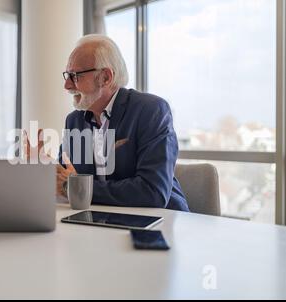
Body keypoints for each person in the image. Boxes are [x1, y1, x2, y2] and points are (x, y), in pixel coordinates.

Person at [57, 34, 189, 211]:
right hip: (101, 222)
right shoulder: (74, 121)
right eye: (67, 75)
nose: (67, 85)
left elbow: (152, 192)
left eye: (75, 76)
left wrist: (78, 188)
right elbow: (65, 178)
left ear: (105, 77)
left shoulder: (151, 111)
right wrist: (40, 165)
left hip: (161, 222)